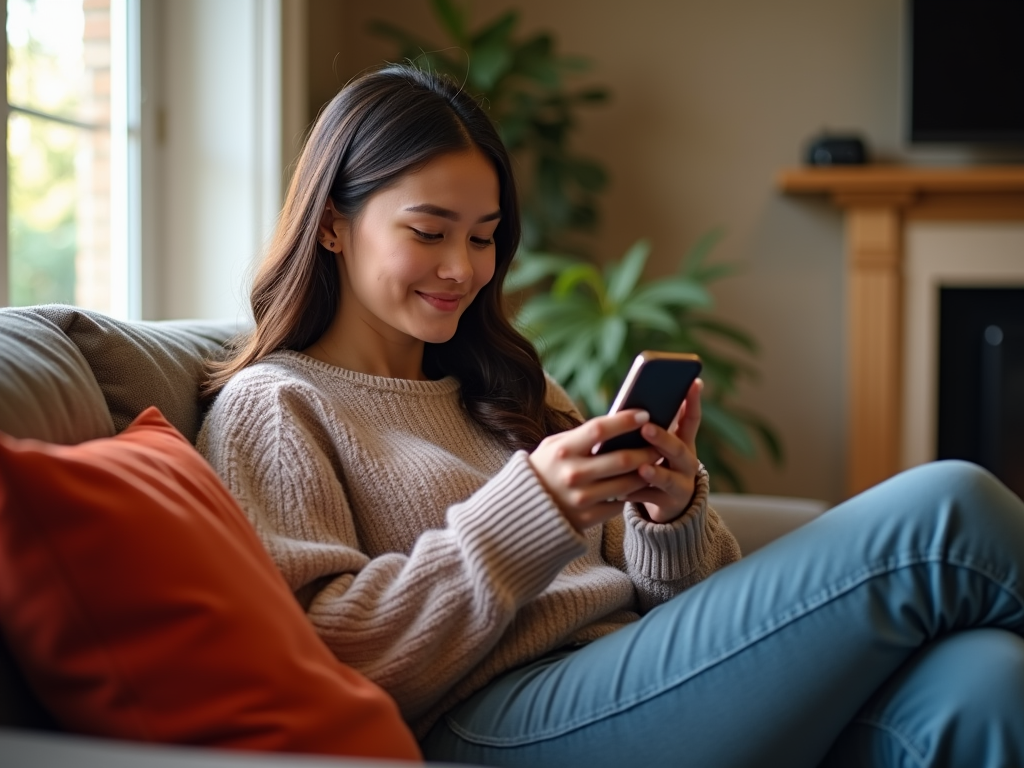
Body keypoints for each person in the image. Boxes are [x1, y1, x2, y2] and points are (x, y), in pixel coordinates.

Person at [197, 63, 1024, 768]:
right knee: (948, 509)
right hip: (489, 717)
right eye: (429, 231)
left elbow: (677, 599)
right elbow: (327, 657)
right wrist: (531, 512)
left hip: (626, 676)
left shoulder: (508, 388)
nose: (462, 269)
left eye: (484, 238)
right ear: (335, 225)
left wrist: (665, 515)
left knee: (986, 684)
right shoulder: (276, 405)